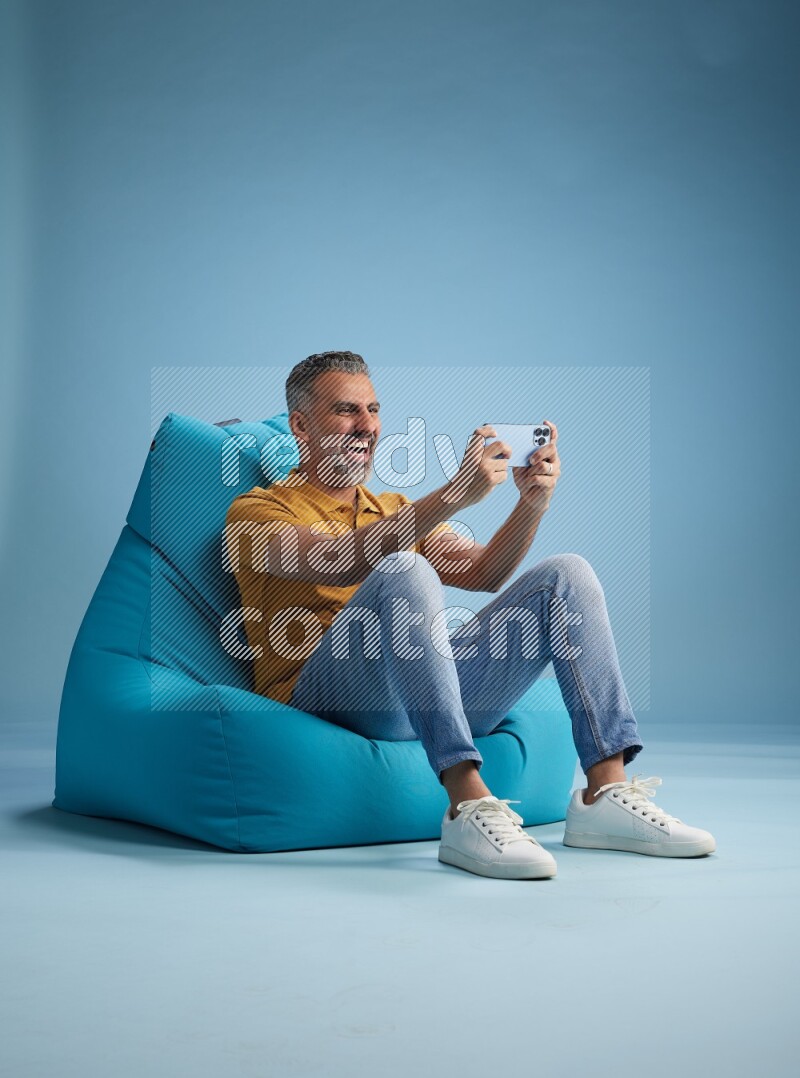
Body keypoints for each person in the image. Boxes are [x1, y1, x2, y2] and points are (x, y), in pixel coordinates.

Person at [225, 351, 716, 880]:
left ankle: (606, 792)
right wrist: (455, 495)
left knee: (565, 575)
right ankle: (466, 804)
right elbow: (341, 557)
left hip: (419, 693)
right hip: (329, 698)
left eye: (373, 409)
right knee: (405, 568)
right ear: (301, 425)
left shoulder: (391, 507)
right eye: (347, 411)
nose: (367, 426)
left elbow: (483, 572)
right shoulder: (255, 512)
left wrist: (530, 504)